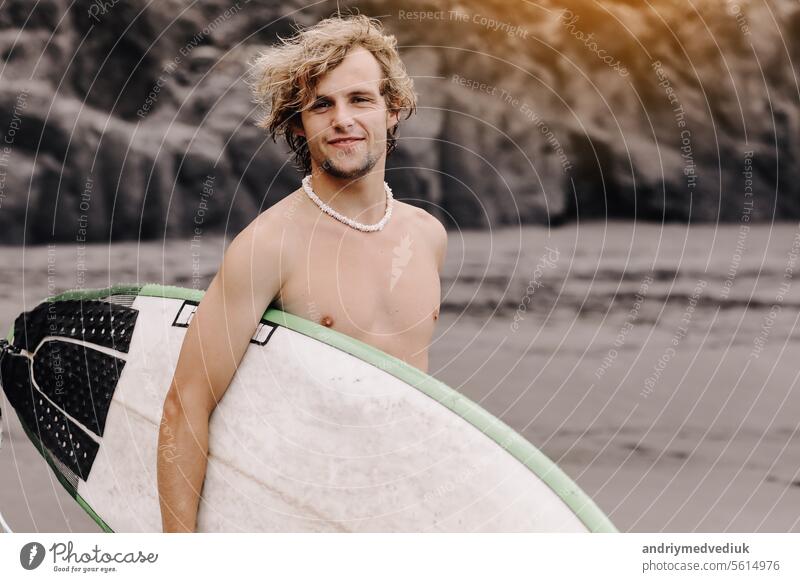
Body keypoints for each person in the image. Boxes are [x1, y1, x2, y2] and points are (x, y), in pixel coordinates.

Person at [157, 13, 448, 533]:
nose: (342, 119)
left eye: (360, 99)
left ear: (394, 110)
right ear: (298, 123)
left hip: (400, 512)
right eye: (321, 105)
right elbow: (187, 402)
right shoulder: (270, 245)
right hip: (300, 514)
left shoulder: (426, 236)